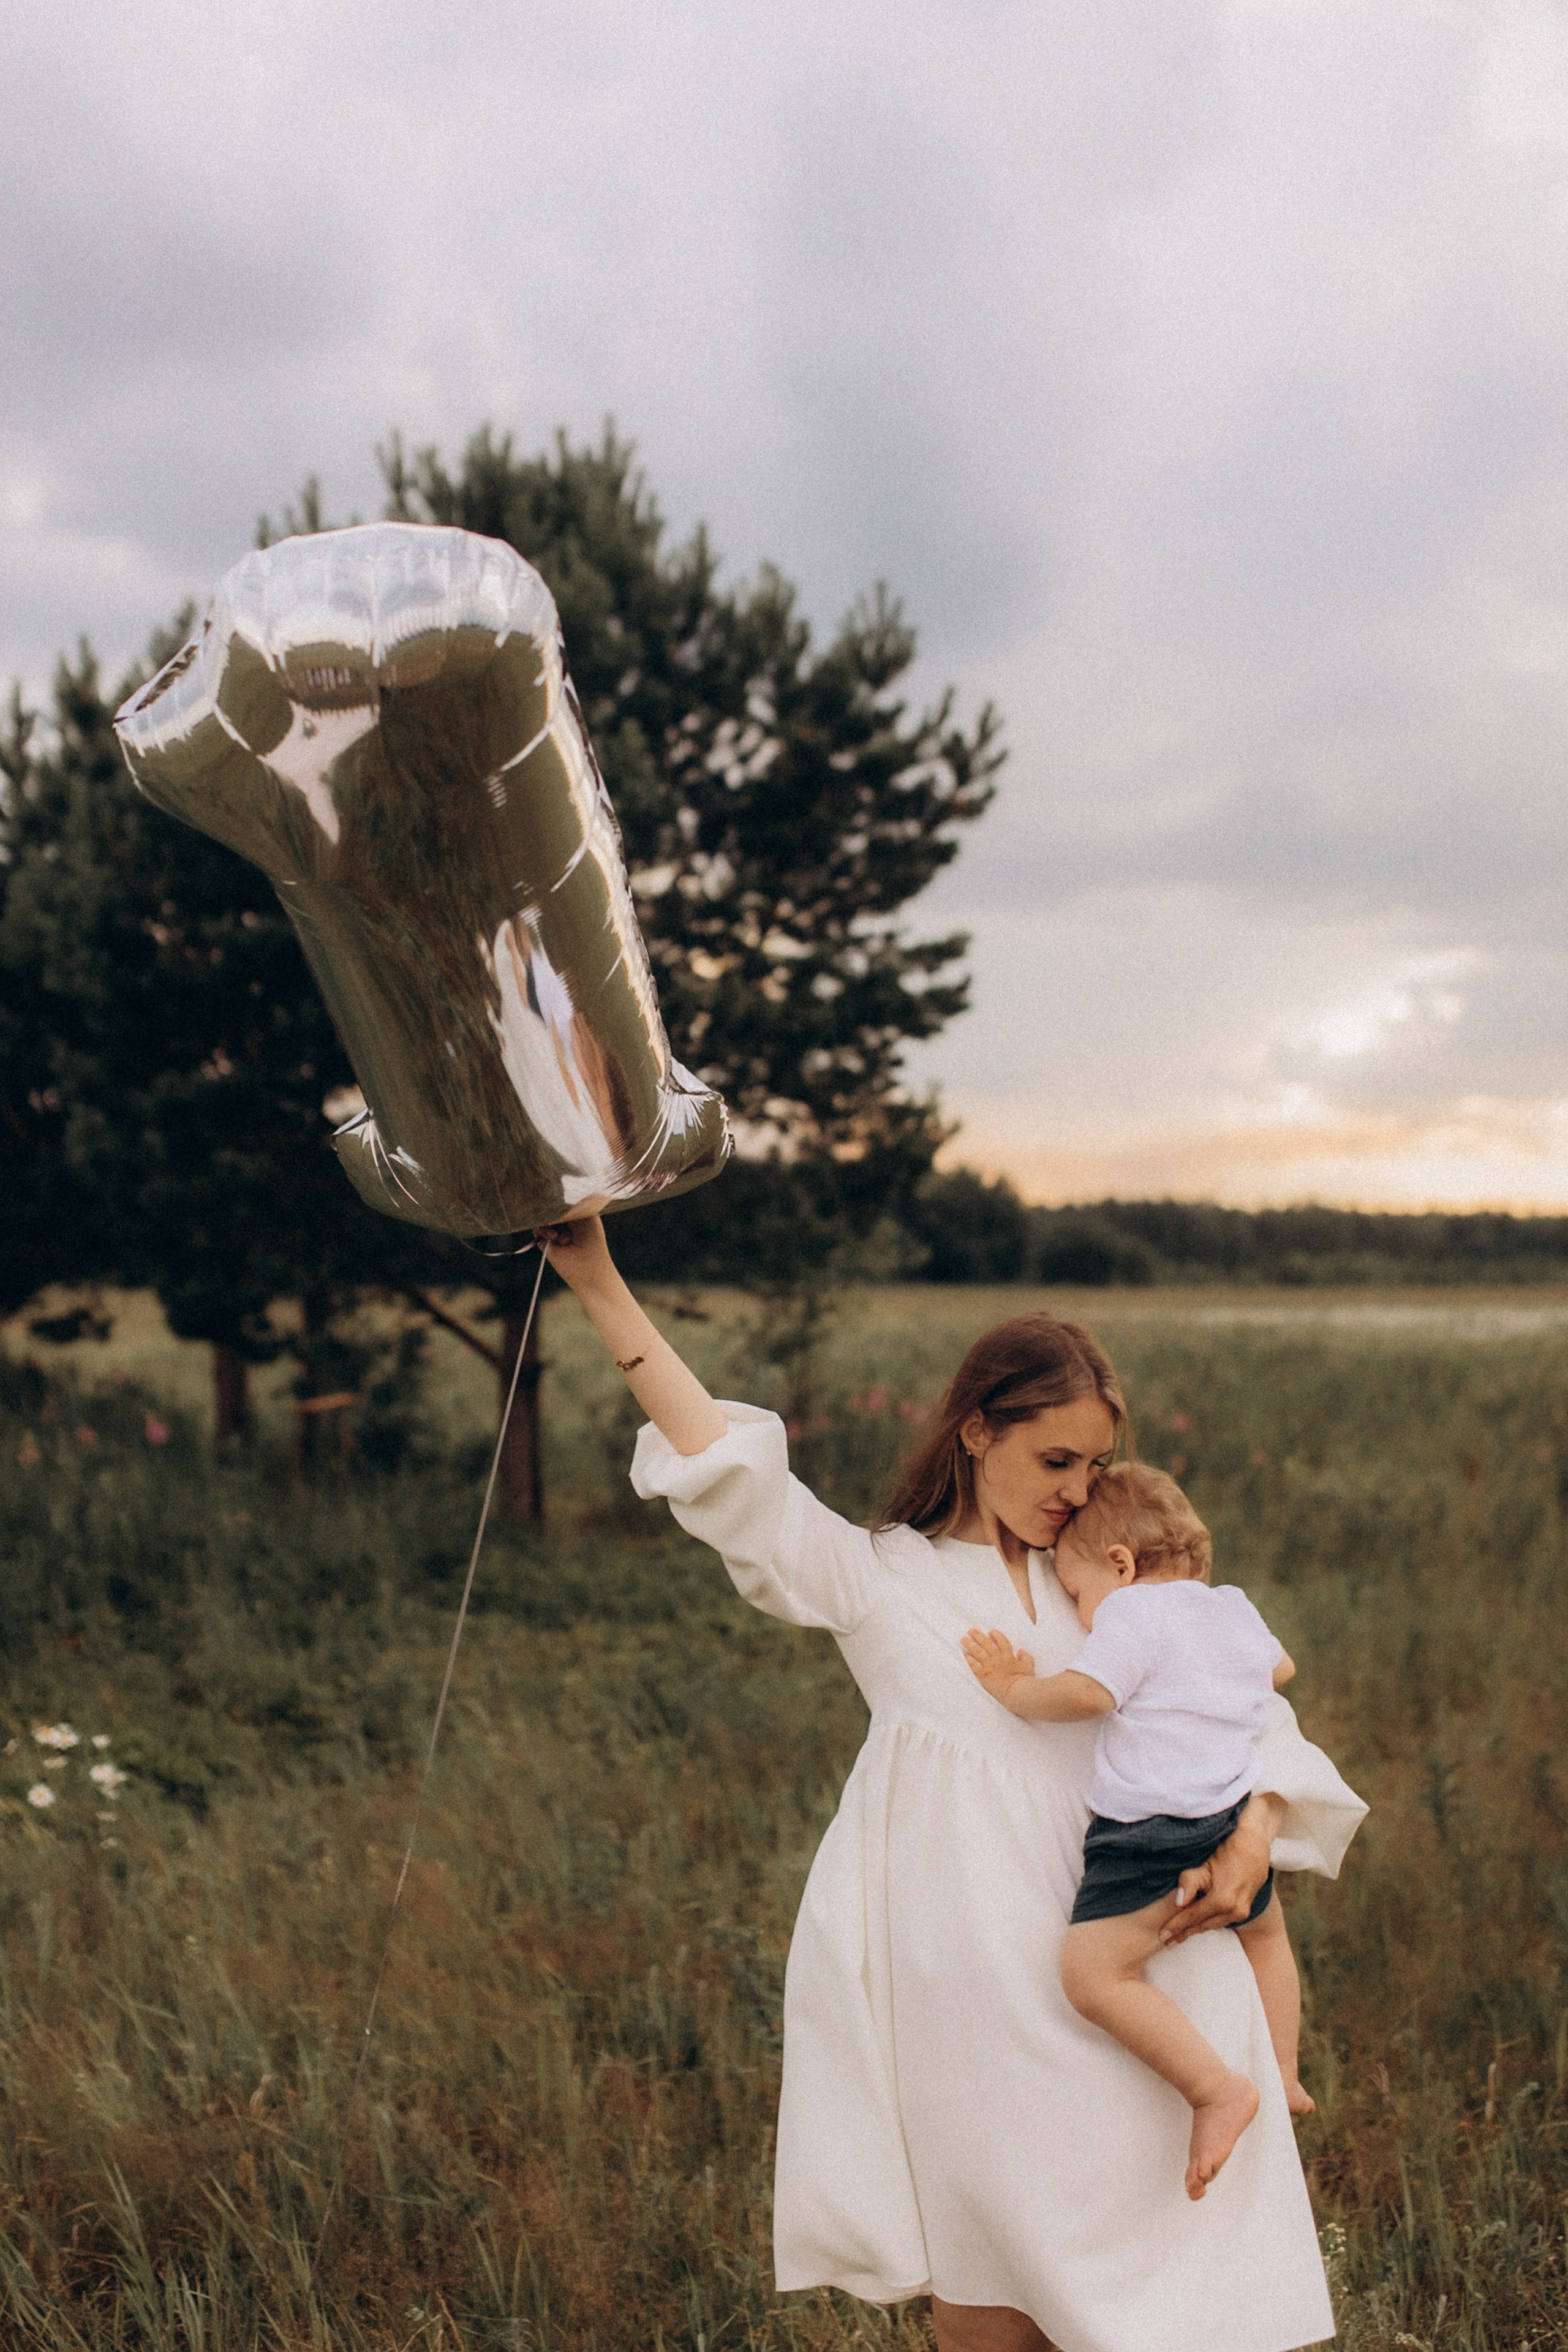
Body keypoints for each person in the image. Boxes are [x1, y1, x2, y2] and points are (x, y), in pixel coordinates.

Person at [541, 1216, 1367, 2352]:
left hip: (1154, 1978)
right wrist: (595, 1277)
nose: (1078, 1491)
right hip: (979, 1998)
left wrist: (1257, 1828)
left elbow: (1247, 1711)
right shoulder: (884, 1577)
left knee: (1184, 2307)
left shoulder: (1118, 1584)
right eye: (1055, 1462)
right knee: (989, 2310)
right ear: (978, 1431)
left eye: (1095, 1466)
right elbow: (726, 1466)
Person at [961, 1462, 1316, 2205]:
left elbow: (1090, 1694)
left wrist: (1013, 1688)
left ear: (1120, 1566)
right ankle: (1284, 2070)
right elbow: (1279, 1669)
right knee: (1265, 1936)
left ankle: (1216, 2089)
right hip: (1229, 1814)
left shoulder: (1132, 1613)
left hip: (1154, 1828)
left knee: (1093, 1976)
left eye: (1076, 1592)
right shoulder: (1232, 1606)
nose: (1080, 1610)